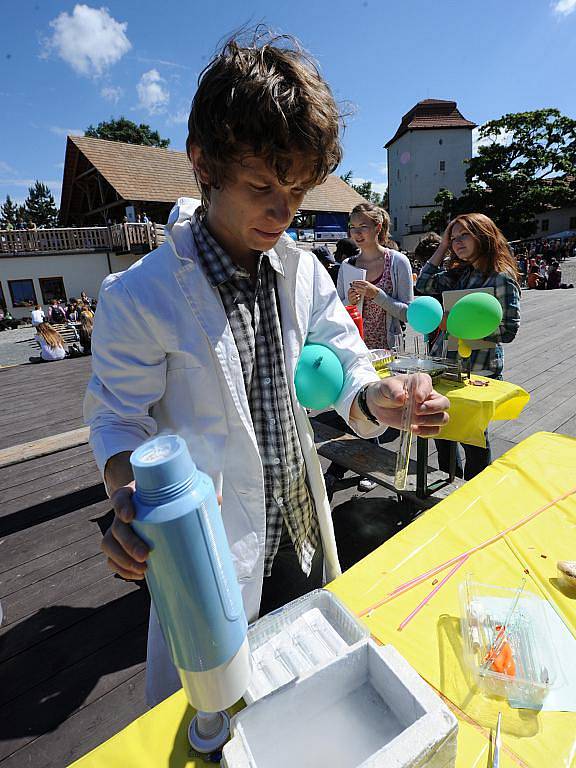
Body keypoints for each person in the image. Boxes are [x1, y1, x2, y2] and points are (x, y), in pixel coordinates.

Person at [84, 31, 450, 708]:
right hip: (208, 550)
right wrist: (126, 495)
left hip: (303, 525)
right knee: (223, 709)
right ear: (203, 162)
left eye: (298, 191)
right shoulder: (140, 295)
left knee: (309, 688)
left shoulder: (300, 268)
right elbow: (115, 416)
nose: (284, 213)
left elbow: (342, 361)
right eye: (260, 187)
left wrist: (380, 396)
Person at [416, 213, 520, 480]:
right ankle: (447, 488)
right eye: (453, 238)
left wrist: (462, 326)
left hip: (479, 371)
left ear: (483, 235)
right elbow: (423, 284)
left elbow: (508, 330)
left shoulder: (501, 278)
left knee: (473, 438)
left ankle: (475, 490)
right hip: (446, 365)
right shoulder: (461, 272)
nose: (457, 242)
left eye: (464, 235)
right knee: (443, 434)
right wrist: (441, 246)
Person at [337, 203, 414, 351]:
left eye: (363, 226)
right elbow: (336, 311)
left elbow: (407, 314)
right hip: (353, 350)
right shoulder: (347, 265)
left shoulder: (397, 262)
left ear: (378, 228)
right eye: (352, 227)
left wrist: (377, 295)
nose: (357, 233)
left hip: (389, 352)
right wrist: (349, 302)